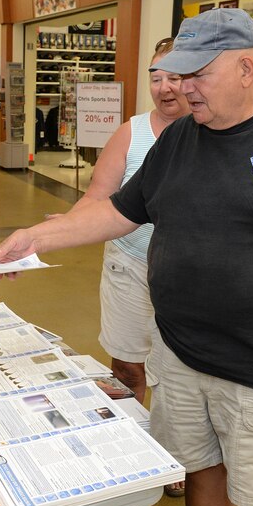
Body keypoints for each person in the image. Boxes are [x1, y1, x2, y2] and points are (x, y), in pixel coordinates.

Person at [0, 8, 253, 506]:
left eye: (198, 74)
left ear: (246, 67)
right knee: (200, 474)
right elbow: (118, 211)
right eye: (176, 74)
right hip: (180, 356)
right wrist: (32, 238)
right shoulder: (178, 138)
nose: (182, 88)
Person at [49, 37, 189, 405]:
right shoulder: (132, 132)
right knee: (128, 370)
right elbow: (98, 196)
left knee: (180, 378)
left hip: (187, 277)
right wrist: (61, 228)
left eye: (174, 77)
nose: (164, 87)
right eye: (156, 78)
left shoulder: (214, 134)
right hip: (129, 267)